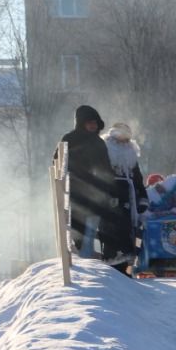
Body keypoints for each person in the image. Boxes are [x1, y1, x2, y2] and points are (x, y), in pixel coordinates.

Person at [58, 104, 126, 266]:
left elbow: (106, 168)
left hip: (97, 193)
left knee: (93, 226)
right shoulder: (69, 139)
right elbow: (59, 162)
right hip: (76, 191)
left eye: (95, 123)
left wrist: (112, 191)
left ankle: (89, 258)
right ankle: (80, 257)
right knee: (76, 226)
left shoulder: (98, 143)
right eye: (90, 122)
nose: (93, 125)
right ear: (81, 123)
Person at [102, 122, 148, 253]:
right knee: (112, 229)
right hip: (111, 195)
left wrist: (143, 196)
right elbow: (101, 174)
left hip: (129, 196)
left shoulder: (130, 151)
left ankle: (126, 268)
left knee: (128, 230)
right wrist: (109, 194)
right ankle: (112, 264)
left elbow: (137, 177)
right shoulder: (106, 149)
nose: (124, 140)